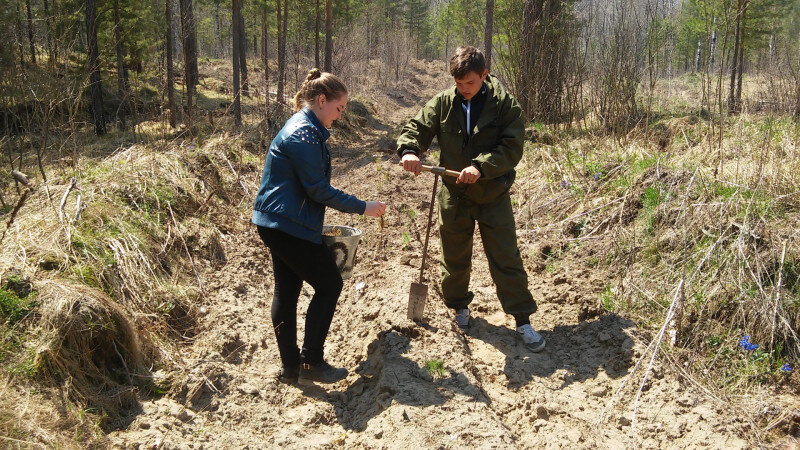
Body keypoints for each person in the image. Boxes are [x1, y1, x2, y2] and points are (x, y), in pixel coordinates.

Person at [397, 46, 545, 352]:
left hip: (492, 194)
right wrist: (410, 150)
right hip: (454, 194)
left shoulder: (505, 105)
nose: (464, 90)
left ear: (484, 75)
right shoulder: (443, 102)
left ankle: (522, 319)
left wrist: (480, 166)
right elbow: (417, 127)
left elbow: (512, 147)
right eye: (459, 84)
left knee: (505, 256)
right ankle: (458, 307)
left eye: (471, 84)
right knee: (454, 257)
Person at [253, 69, 387, 384]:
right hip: (286, 224)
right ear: (322, 100)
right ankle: (311, 361)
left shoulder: (307, 128)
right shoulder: (302, 133)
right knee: (329, 284)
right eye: (339, 109)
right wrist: (362, 207)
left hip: (280, 222)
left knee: (287, 292)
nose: (339, 117)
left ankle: (291, 370)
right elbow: (317, 190)